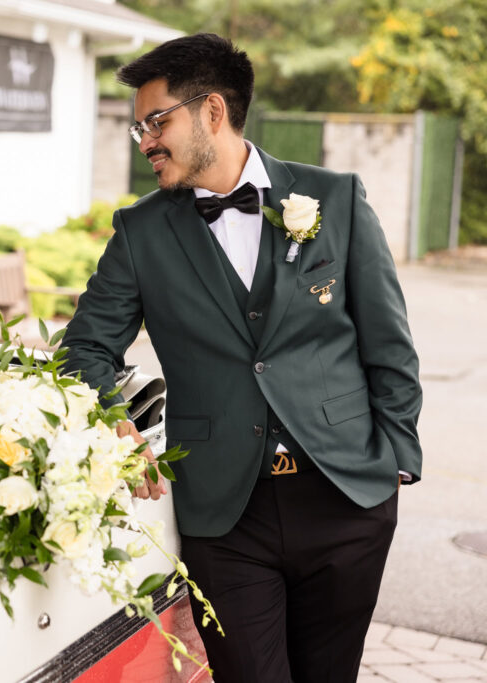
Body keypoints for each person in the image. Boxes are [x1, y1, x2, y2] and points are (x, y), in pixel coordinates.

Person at [62, 33, 422, 682]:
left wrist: (395, 458)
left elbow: (388, 342)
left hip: (345, 496)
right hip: (225, 514)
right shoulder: (139, 232)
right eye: (138, 127)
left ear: (213, 112)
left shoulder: (335, 198)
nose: (144, 141)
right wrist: (115, 428)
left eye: (155, 121)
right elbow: (83, 349)